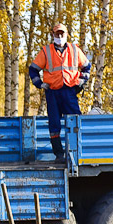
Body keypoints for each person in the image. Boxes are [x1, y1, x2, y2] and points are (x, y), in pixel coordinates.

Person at [28, 23, 91, 163]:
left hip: (70, 90)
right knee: (54, 124)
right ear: (53, 35)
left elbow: (87, 67)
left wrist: (82, 80)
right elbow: (33, 69)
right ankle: (59, 155)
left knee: (75, 121)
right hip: (53, 92)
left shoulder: (74, 50)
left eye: (62, 33)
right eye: (57, 33)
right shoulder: (46, 51)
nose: (60, 36)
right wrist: (39, 84)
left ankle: (77, 153)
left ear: (66, 34)